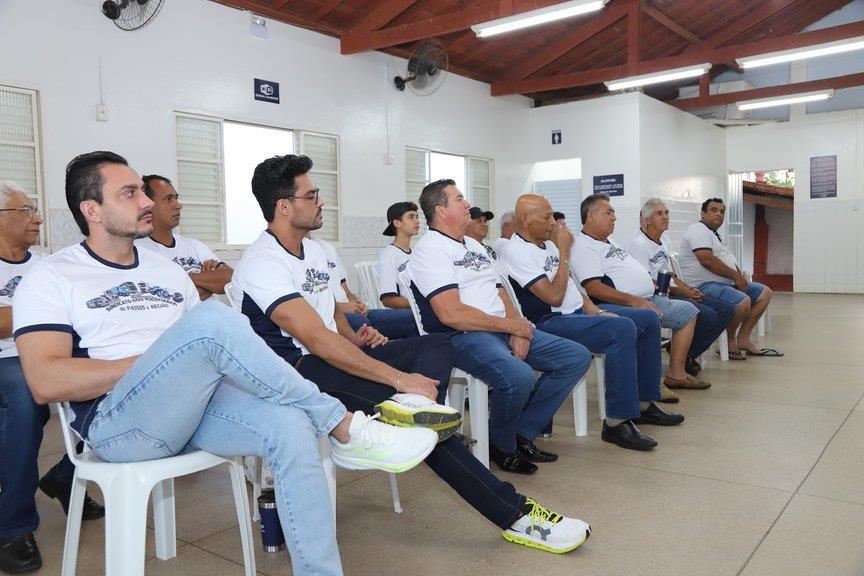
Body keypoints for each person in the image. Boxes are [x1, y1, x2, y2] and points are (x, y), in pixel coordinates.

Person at [13, 151, 437, 576]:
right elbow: (46, 381)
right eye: (129, 193)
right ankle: (342, 423)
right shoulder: (53, 276)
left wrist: (182, 361)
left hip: (190, 411)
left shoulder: (167, 272)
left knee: (291, 426)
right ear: (92, 210)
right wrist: (160, 361)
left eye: (143, 190)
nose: (145, 201)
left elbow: (203, 356)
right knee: (213, 322)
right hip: (118, 425)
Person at [233, 156, 591, 555]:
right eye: (312, 195)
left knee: (437, 344)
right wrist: (399, 379)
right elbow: (315, 340)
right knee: (430, 431)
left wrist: (357, 338)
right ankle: (516, 515)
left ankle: (414, 411)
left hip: (331, 356)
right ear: (284, 206)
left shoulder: (314, 251)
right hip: (296, 374)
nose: (322, 201)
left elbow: (330, 314)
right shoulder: (263, 262)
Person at [411, 179, 592, 474]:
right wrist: (510, 327)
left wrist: (517, 325)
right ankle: (501, 445)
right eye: (460, 199)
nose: (468, 204)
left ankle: (520, 433)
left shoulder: (473, 245)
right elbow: (451, 313)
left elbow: (499, 291)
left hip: (499, 328)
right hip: (462, 335)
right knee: (520, 376)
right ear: (441, 211)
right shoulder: (430, 250)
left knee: (575, 357)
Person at [501, 195, 682, 452]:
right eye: (546, 217)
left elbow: (574, 288)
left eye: (552, 215)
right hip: (549, 321)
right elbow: (553, 296)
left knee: (648, 319)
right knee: (622, 329)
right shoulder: (515, 250)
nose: (553, 223)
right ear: (525, 219)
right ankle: (617, 422)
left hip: (577, 314)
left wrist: (596, 312)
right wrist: (564, 252)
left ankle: (643, 403)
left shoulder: (547, 245)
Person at [0, 182, 103, 574]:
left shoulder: (49, 263)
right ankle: (13, 527)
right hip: (9, 360)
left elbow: (86, 309)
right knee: (27, 394)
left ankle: (66, 475)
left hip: (56, 350)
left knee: (117, 377)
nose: (38, 219)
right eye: (27, 211)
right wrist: (48, 310)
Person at [571, 193, 711, 392]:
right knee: (649, 317)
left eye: (613, 213)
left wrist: (650, 283)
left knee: (689, 311)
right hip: (616, 304)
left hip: (645, 297)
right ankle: (651, 385)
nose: (614, 217)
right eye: (608, 213)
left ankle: (675, 373)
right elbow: (595, 288)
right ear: (591, 216)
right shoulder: (583, 246)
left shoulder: (609, 241)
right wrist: (635, 301)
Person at [628, 198, 735, 376]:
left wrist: (688, 289)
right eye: (659, 214)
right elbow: (646, 282)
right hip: (657, 296)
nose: (665, 217)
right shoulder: (638, 244)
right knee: (707, 315)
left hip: (673, 291)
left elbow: (671, 275)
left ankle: (686, 353)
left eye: (666, 213)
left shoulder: (664, 239)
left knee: (726, 310)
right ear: (646, 220)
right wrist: (682, 291)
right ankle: (682, 358)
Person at [679, 198, 779, 360]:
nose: (719, 214)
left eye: (722, 211)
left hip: (724, 284)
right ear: (703, 213)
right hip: (703, 286)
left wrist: (740, 277)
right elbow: (706, 259)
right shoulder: (698, 230)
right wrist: (736, 277)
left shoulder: (714, 234)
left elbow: (726, 259)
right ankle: (730, 340)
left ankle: (743, 339)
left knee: (764, 293)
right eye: (714, 210)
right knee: (743, 301)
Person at [134, 175, 233, 301]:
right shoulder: (139, 251)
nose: (178, 205)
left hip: (214, 312)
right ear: (148, 205)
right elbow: (167, 300)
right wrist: (208, 282)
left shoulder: (194, 245)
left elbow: (229, 278)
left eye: (176, 198)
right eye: (168, 199)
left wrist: (183, 279)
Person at [309, 232, 418, 339]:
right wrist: (340, 307)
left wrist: (358, 302)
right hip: (334, 315)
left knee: (414, 317)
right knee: (361, 323)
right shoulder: (303, 254)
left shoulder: (326, 248)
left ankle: (409, 350)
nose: (417, 222)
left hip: (353, 311)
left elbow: (347, 292)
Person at [378, 201, 419, 310]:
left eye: (417, 217)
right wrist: (419, 304)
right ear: (397, 223)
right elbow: (388, 300)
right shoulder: (389, 254)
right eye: (411, 217)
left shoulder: (416, 253)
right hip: (408, 313)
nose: (417, 221)